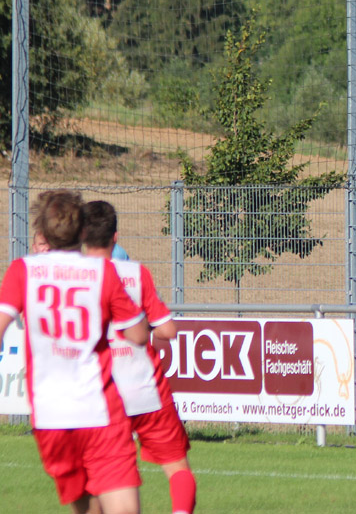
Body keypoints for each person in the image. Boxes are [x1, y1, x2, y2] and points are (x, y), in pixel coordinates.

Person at [0, 190, 148, 514]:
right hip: (100, 410)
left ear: (43, 231)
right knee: (123, 509)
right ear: (82, 231)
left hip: (51, 416)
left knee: (86, 509)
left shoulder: (22, 271)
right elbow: (137, 334)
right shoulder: (102, 272)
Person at [82, 200, 197, 514]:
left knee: (99, 483)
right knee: (178, 469)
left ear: (82, 235)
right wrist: (150, 331)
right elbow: (169, 330)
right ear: (115, 237)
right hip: (146, 389)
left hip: (101, 394)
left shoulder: (74, 277)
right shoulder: (135, 273)